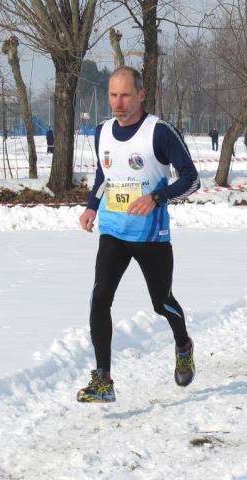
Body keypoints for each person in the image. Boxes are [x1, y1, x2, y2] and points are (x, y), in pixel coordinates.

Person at [77, 66, 200, 403]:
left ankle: (183, 344)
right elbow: (104, 176)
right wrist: (91, 207)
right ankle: (104, 380)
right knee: (100, 298)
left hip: (151, 236)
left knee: (162, 303)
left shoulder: (158, 132)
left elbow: (192, 179)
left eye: (126, 95)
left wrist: (157, 197)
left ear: (141, 94)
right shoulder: (101, 131)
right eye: (113, 95)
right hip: (114, 231)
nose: (118, 102)